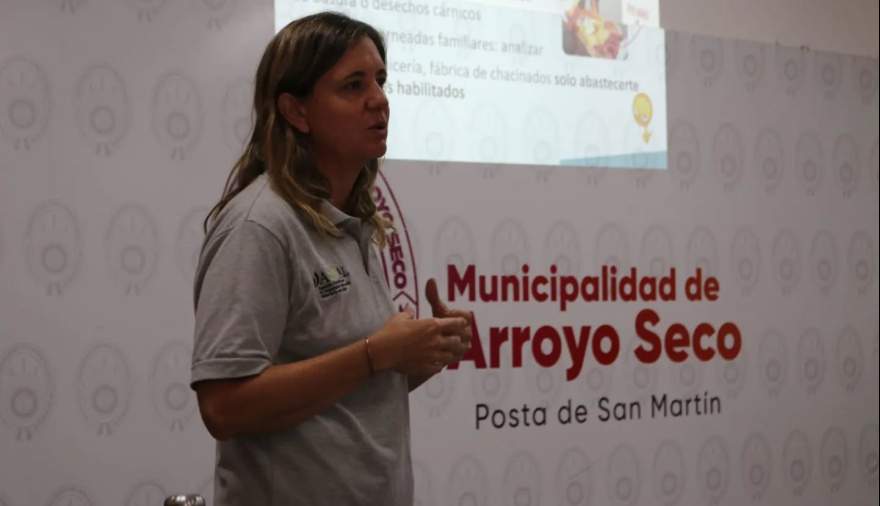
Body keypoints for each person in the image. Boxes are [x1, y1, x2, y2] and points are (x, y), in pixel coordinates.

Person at [189, 11, 473, 506]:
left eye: (381, 80)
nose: (379, 99)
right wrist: (376, 353)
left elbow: (343, 397)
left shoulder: (348, 224)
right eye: (353, 85)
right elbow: (224, 407)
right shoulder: (261, 226)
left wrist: (418, 355)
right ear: (296, 111)